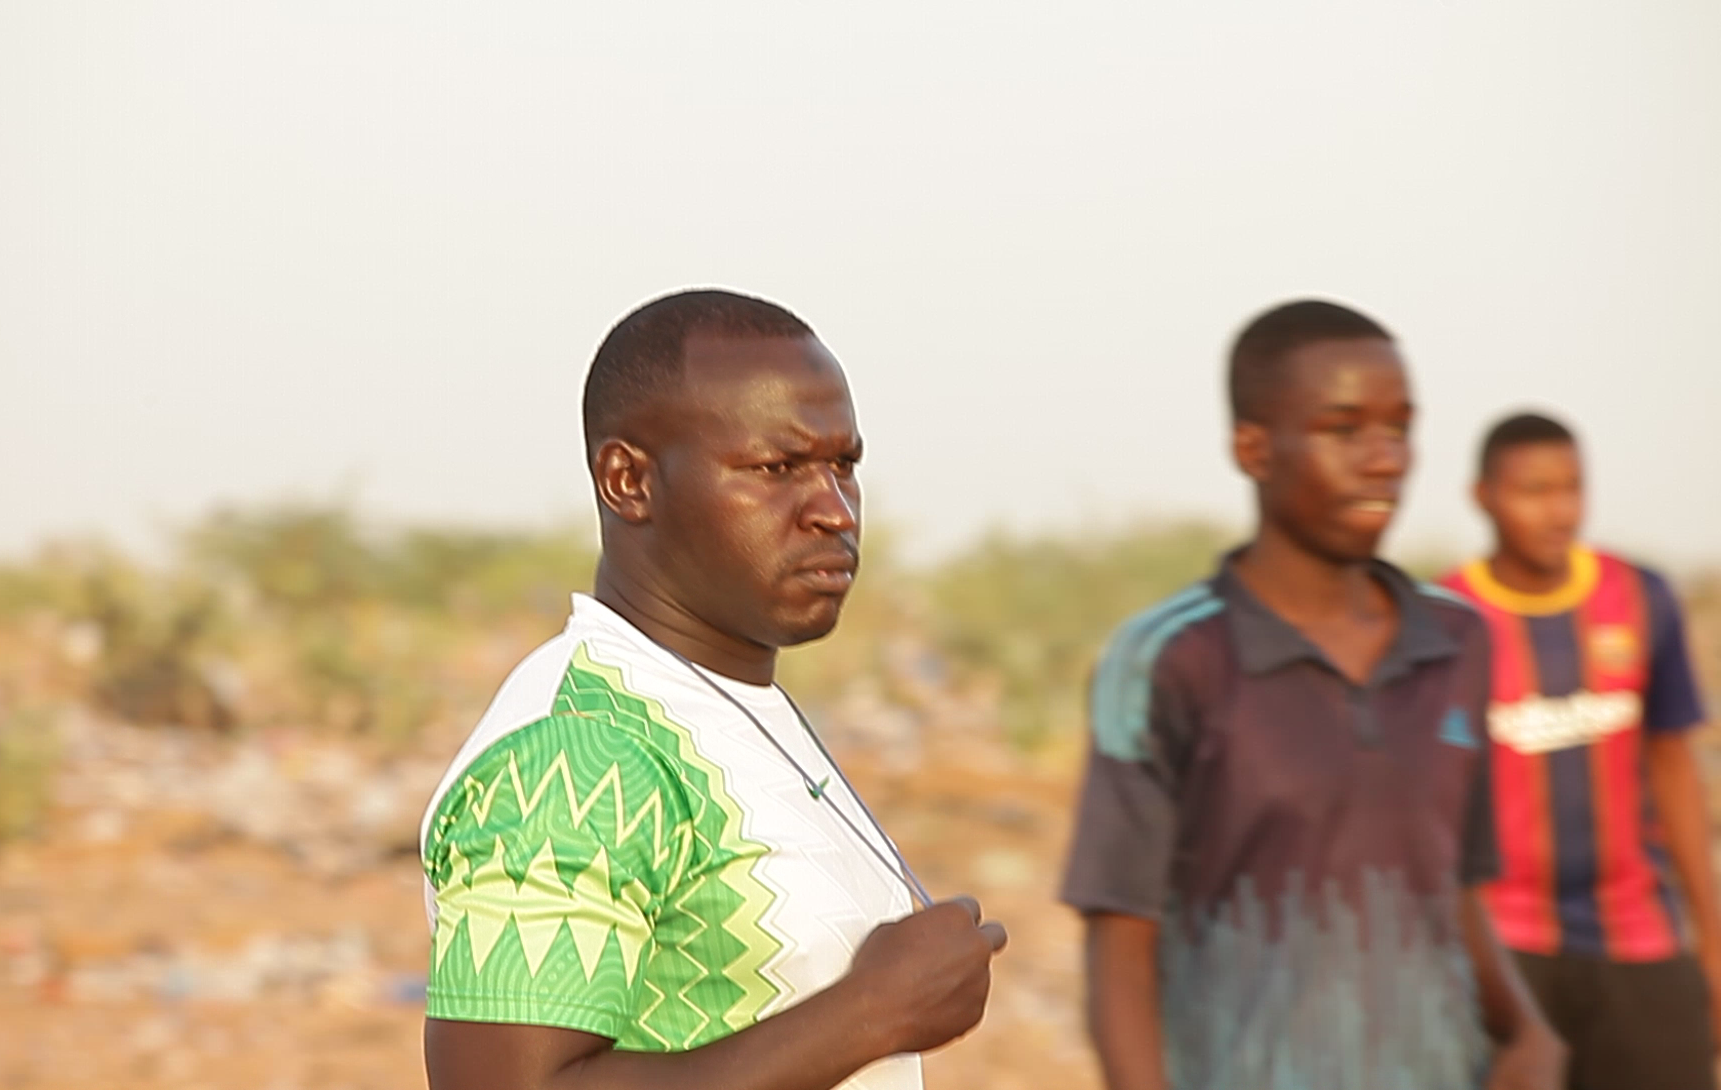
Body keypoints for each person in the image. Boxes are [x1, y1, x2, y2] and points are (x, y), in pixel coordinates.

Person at [418, 289, 1006, 1090]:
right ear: (628, 481)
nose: (834, 511)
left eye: (844, 465)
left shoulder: (729, 704)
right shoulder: (582, 751)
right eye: (778, 468)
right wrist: (873, 1013)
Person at [1060, 300, 1564, 1089]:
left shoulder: (1459, 642)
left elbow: (1451, 889)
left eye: (1399, 428)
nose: (1385, 458)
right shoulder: (1171, 657)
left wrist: (1530, 1034)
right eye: (1344, 429)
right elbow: (1120, 936)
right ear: (1253, 448)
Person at [1439, 411, 1719, 1090]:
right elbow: (1435, 803)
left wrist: (1711, 934)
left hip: (1638, 933)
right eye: (1533, 491)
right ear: (1484, 497)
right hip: (1508, 943)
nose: (1558, 510)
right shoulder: (1448, 618)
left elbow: (1674, 769)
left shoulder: (1640, 598)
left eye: (1571, 487)